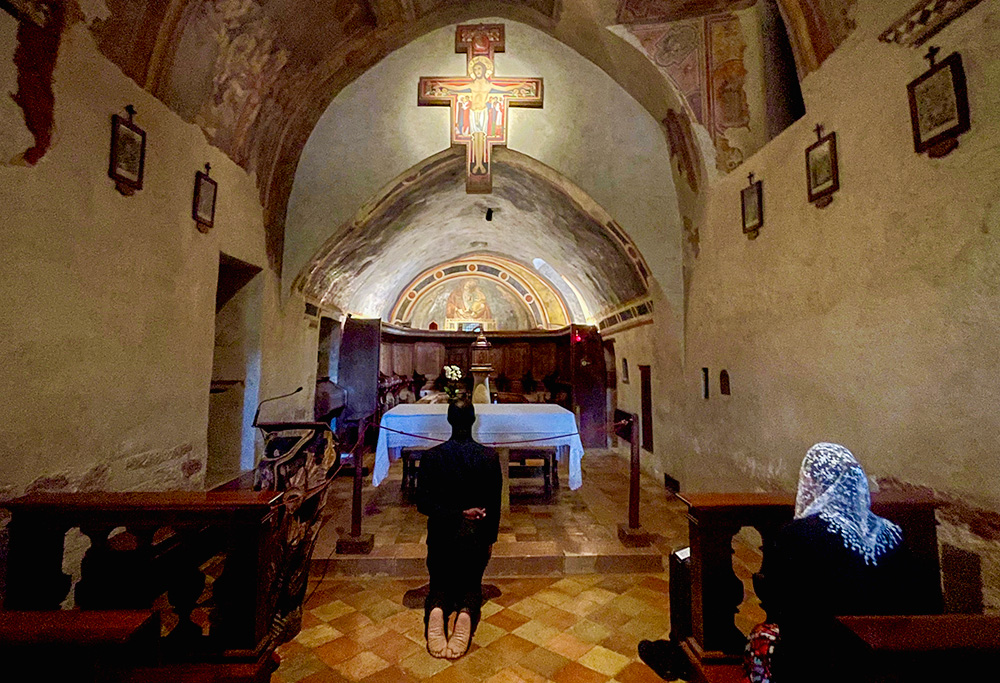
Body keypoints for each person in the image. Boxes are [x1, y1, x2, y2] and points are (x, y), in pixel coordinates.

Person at [744, 442, 914, 683]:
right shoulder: (894, 533)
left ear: (815, 483)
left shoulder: (797, 534)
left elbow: (781, 605)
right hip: (890, 660)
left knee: (758, 639)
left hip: (819, 661)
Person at [416, 399, 502, 659]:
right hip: (474, 538)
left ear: (449, 421)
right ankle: (465, 614)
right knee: (471, 585)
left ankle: (437, 612)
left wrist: (455, 514)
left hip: (441, 536)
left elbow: (423, 503)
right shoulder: (489, 457)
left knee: (439, 584)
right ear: (474, 420)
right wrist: (489, 539)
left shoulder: (431, 457)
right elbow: (494, 507)